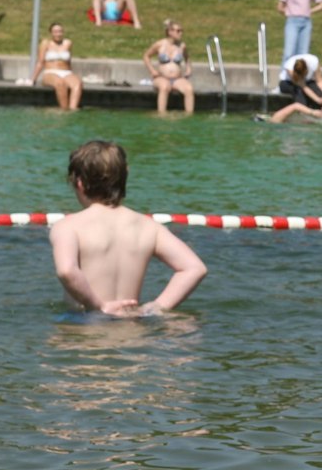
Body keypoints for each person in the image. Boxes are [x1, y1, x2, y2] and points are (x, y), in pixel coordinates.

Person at [49, 140, 207, 316]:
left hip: (85, 330)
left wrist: (99, 306)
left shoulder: (68, 226)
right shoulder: (149, 227)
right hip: (131, 330)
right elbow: (194, 268)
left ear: (79, 183)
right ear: (124, 177)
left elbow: (66, 271)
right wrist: (156, 307)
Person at [258, 53, 322, 128]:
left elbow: (319, 81)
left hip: (306, 84)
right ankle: (305, 116)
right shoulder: (290, 68)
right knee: (299, 91)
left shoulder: (313, 62)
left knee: (317, 90)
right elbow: (303, 89)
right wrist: (315, 109)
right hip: (287, 84)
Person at [144, 20, 195, 114]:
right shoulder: (160, 44)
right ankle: (161, 113)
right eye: (178, 31)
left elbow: (187, 58)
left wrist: (189, 69)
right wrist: (152, 71)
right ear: (170, 32)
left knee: (189, 88)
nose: (181, 33)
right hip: (161, 77)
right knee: (164, 86)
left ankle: (189, 115)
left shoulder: (182, 46)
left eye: (181, 30)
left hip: (177, 78)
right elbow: (146, 56)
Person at [33, 23, 82, 110]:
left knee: (77, 83)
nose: (58, 34)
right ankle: (64, 110)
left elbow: (69, 61)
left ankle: (73, 110)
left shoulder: (68, 43)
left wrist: (72, 74)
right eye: (55, 32)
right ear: (51, 33)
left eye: (60, 31)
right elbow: (40, 62)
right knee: (60, 83)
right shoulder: (45, 43)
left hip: (66, 71)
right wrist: (33, 79)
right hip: (50, 72)